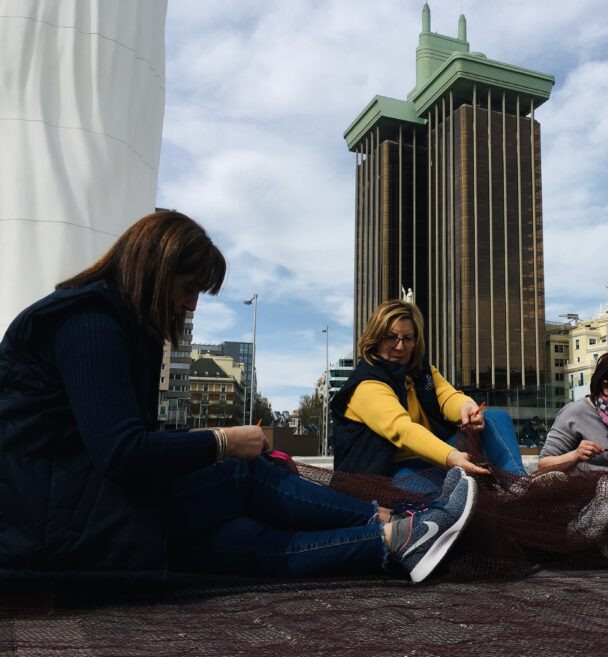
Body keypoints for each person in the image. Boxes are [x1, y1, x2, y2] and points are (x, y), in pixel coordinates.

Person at [0, 211, 476, 583]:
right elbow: (122, 452)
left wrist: (219, 444)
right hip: (56, 519)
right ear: (151, 270)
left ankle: (393, 541)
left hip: (56, 522)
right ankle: (390, 519)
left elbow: (122, 446)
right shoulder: (90, 324)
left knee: (234, 535)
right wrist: (224, 443)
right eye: (188, 289)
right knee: (241, 475)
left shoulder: (106, 324)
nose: (191, 305)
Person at [331, 300, 525, 488]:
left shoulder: (422, 370)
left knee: (494, 417)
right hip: (388, 470)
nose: (400, 346)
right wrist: (452, 457)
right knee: (431, 495)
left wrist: (466, 408)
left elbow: (448, 396)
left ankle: (520, 485)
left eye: (408, 338)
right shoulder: (367, 384)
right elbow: (403, 430)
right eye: (391, 337)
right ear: (376, 338)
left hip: (434, 457)